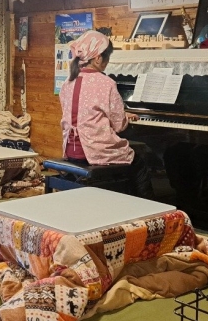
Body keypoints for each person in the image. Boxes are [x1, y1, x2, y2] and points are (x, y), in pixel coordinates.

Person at [59, 30, 153, 199]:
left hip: (71, 150)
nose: (108, 62)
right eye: (107, 57)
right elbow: (119, 125)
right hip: (94, 151)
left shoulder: (68, 81)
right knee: (139, 163)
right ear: (97, 58)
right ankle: (147, 208)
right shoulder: (106, 83)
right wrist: (124, 116)